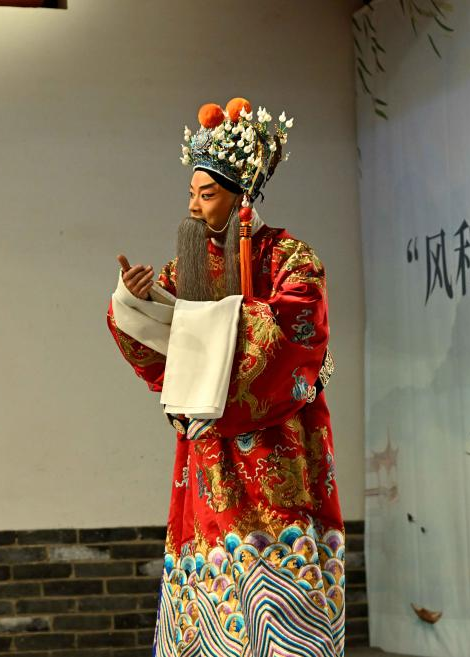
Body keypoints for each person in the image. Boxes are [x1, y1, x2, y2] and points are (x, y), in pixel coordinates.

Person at [107, 98, 345, 656]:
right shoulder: (184, 268)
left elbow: (297, 327)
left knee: (280, 593)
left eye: (207, 194)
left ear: (241, 197)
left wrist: (203, 326)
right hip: (209, 451)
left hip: (280, 444)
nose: (193, 206)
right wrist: (138, 302)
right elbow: (158, 352)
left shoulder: (290, 256)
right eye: (191, 193)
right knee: (212, 589)